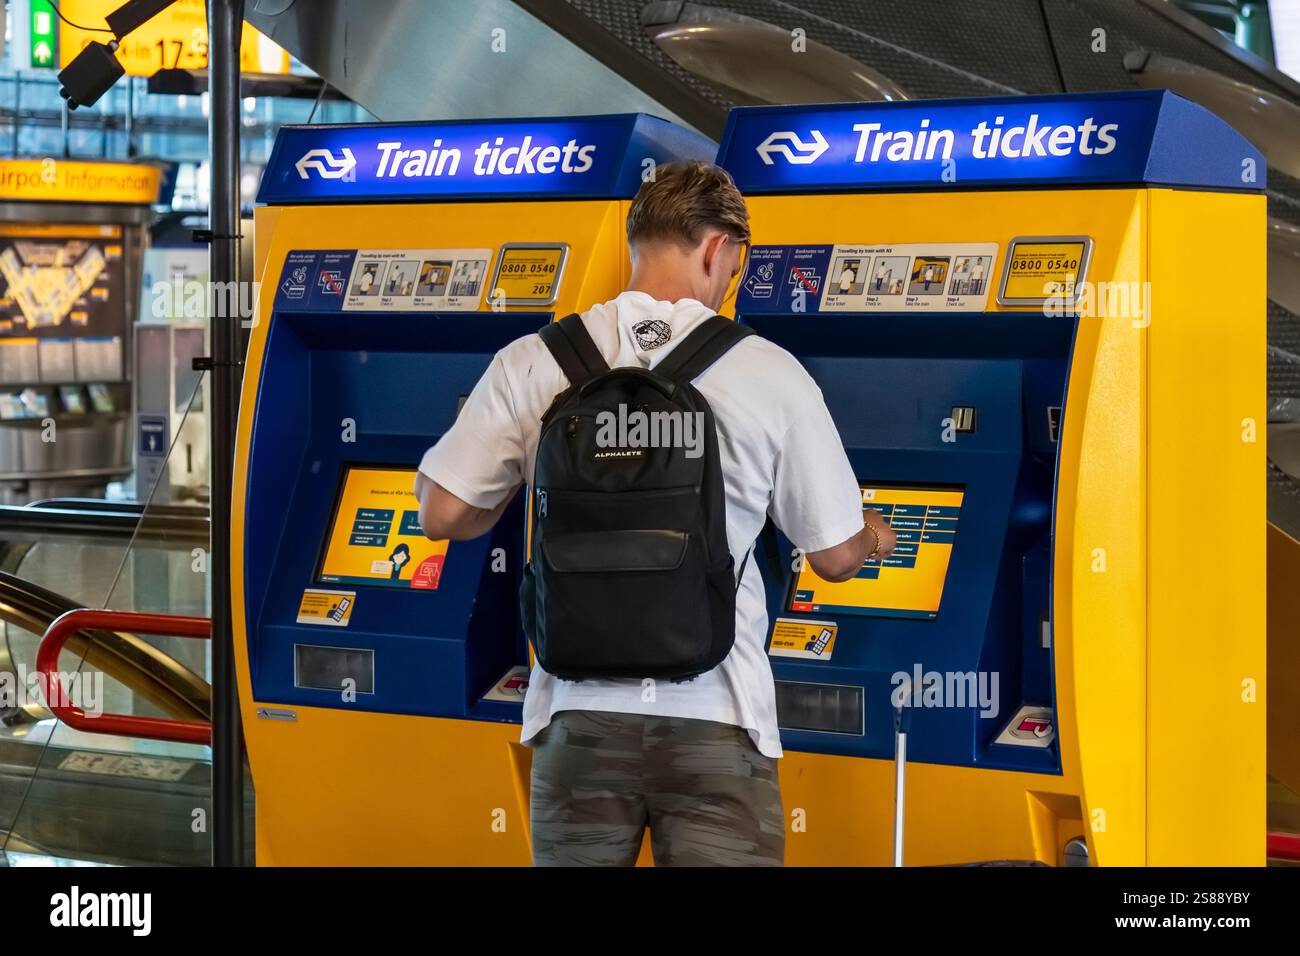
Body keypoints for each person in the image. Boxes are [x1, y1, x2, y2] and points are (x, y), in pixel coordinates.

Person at [414, 159, 894, 866]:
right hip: (718, 721)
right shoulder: (768, 371)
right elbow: (834, 556)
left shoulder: (535, 360)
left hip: (575, 721)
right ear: (716, 248)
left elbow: (443, 511)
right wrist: (875, 534)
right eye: (735, 259)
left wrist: (522, 489)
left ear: (636, 240)